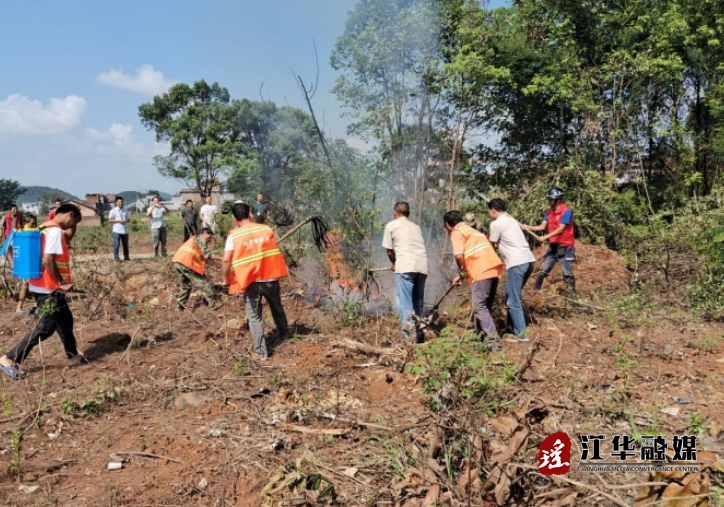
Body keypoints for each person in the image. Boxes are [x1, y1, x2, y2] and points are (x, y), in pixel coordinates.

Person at [0, 203, 89, 380]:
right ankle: (9, 358)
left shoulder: (43, 228)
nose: (72, 226)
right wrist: (61, 282)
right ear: (69, 215)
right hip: (49, 288)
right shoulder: (55, 231)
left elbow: (68, 237)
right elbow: (48, 260)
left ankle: (72, 356)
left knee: (65, 320)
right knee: (46, 327)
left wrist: (73, 222)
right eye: (73, 221)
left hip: (39, 285)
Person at [222, 202, 290, 360]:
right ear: (250, 214)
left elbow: (226, 260)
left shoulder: (234, 236)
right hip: (270, 277)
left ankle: (261, 353)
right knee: (277, 307)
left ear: (235, 218)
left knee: (254, 317)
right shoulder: (265, 229)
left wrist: (225, 280)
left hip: (251, 281)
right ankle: (285, 334)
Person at [443, 210, 504, 351]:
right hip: (493, 269)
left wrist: (463, 272)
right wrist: (462, 275)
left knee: (478, 306)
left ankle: (494, 342)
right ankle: (479, 334)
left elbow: (459, 257)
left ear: (448, 224)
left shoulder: (456, 232)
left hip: (480, 271)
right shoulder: (472, 230)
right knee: (484, 305)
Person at [488, 199, 536, 342]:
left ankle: (522, 335)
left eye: (489, 211)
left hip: (516, 263)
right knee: (509, 294)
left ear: (493, 210)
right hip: (528, 260)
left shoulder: (496, 224)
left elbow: (492, 244)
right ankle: (511, 326)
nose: (490, 214)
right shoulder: (512, 221)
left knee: (513, 299)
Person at [382, 202, 428, 343]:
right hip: (422, 267)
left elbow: (389, 251)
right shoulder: (416, 227)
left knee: (406, 305)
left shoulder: (391, 225)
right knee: (418, 303)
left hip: (405, 267)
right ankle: (420, 337)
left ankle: (409, 339)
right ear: (408, 214)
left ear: (395, 213)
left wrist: (394, 263)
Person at [521, 187, 576, 293]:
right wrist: (528, 227)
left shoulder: (566, 211)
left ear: (557, 199)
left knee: (567, 271)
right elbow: (542, 226)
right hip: (553, 246)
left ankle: (572, 295)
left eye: (550, 199)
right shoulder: (549, 212)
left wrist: (544, 237)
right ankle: (536, 291)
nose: (549, 201)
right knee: (544, 269)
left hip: (565, 246)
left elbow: (561, 229)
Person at [172, 227, 223, 310]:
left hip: (177, 263)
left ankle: (179, 308)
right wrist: (222, 258)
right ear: (204, 233)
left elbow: (204, 258)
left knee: (186, 286)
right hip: (186, 264)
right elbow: (208, 255)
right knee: (205, 283)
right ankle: (213, 305)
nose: (209, 240)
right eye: (209, 237)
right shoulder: (200, 239)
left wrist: (215, 264)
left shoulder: (193, 241)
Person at [14, 214, 38, 317]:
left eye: (35, 224)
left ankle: (21, 308)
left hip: (33, 265)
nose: (34, 226)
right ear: (25, 223)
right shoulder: (21, 234)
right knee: (29, 286)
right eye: (32, 224)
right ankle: (21, 308)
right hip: (26, 266)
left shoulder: (34, 233)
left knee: (27, 287)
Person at [109, 196, 131, 262]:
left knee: (125, 245)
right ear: (116, 202)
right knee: (116, 244)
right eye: (119, 202)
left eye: (122, 201)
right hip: (117, 230)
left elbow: (128, 219)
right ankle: (116, 258)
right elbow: (110, 220)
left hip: (124, 230)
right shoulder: (113, 211)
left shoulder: (125, 210)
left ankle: (126, 257)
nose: (121, 203)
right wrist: (119, 221)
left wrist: (125, 220)